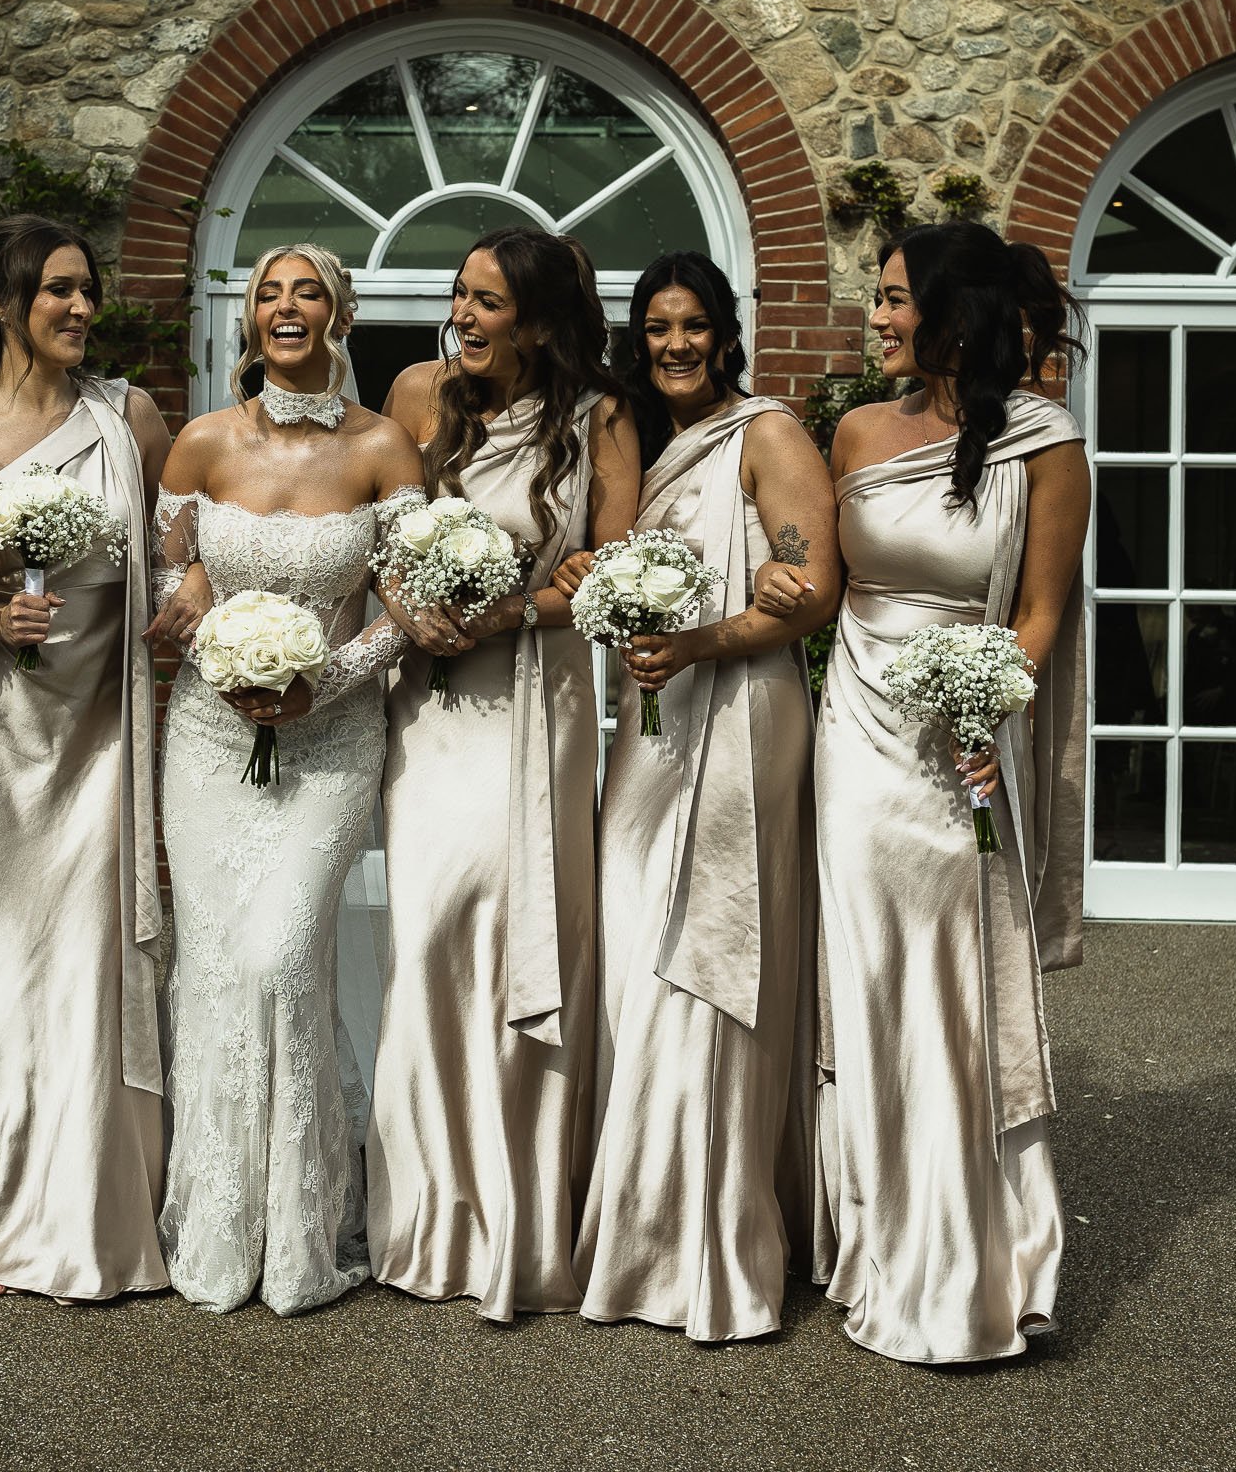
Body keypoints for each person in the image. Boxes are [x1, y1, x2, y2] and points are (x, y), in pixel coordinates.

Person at [755, 219, 1089, 1363]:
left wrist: (997, 709)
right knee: (869, 971)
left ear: (954, 311)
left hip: (961, 735)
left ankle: (966, 1253)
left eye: (896, 299)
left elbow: (1039, 614)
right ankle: (876, 1236)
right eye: (878, 298)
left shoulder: (1046, 446)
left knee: (951, 980)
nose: (878, 317)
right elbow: (820, 582)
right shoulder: (850, 429)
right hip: (856, 727)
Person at [367, 226, 642, 1321]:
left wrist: (516, 608)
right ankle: (428, 1213)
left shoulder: (597, 416)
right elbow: (374, 540)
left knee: (518, 921)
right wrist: (409, 610)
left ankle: (522, 1220)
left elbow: (612, 572)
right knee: (430, 932)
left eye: (487, 301)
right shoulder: (415, 394)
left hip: (538, 699)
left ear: (534, 319)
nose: (465, 316)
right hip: (430, 713)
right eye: (459, 296)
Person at [566, 251, 840, 1342]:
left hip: (741, 712)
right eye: (655, 327)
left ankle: (708, 1244)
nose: (673, 344)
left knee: (712, 955)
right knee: (639, 948)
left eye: (691, 326)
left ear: (725, 333)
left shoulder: (766, 433)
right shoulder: (648, 440)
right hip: (650, 722)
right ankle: (640, 1212)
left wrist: (700, 639)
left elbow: (809, 591)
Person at [149, 243, 422, 1315]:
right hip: (208, 740)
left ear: (340, 313)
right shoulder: (202, 441)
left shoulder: (383, 447)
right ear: (250, 319)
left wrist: (329, 678)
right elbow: (170, 566)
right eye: (269, 292)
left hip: (331, 738)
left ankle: (306, 1228)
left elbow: (407, 597)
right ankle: (219, 1224)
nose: (286, 307)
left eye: (307, 291)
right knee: (216, 965)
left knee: (280, 955)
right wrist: (216, 644)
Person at [0, 215, 170, 1301]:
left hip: (103, 730)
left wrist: (193, 596)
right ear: (7, 303)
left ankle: (74, 1211)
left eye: (87, 292)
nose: (79, 309)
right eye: (58, 291)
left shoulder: (130, 415)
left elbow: (173, 547)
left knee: (83, 971)